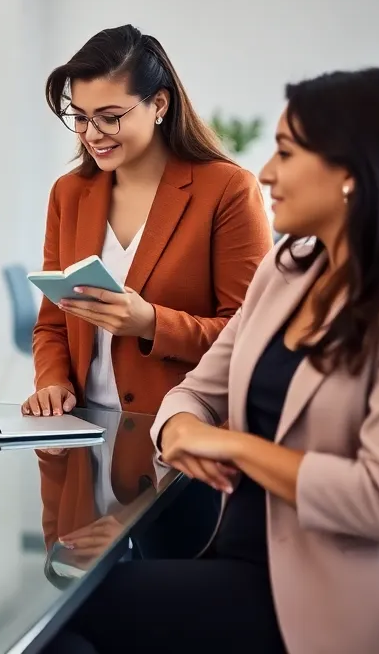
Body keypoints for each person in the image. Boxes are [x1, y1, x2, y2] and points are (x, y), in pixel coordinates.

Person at [61, 68, 379, 654]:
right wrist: (181, 428)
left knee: (80, 618)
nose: (265, 173)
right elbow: (196, 391)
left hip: (355, 595)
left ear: (351, 172)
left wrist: (231, 445)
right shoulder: (287, 269)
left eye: (286, 153)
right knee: (68, 607)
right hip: (248, 562)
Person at [24, 25, 272, 419]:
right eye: (81, 117)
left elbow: (253, 336)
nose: (91, 134)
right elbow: (54, 324)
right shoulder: (69, 193)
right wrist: (53, 382)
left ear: (158, 104)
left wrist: (151, 323)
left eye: (109, 117)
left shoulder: (227, 190)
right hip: (83, 433)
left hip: (184, 437)